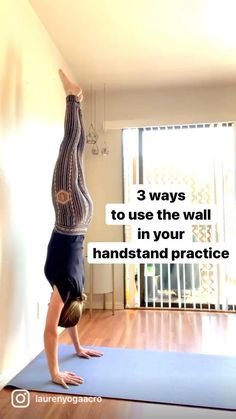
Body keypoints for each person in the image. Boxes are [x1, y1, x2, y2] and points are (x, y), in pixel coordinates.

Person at [44, 69, 103, 389]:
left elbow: (68, 319)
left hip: (83, 219)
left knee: (76, 150)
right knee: (69, 145)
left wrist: (78, 347)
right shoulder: (63, 287)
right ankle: (72, 96)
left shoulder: (77, 290)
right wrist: (54, 373)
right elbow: (51, 330)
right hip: (67, 213)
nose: (58, 306)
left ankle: (77, 103)